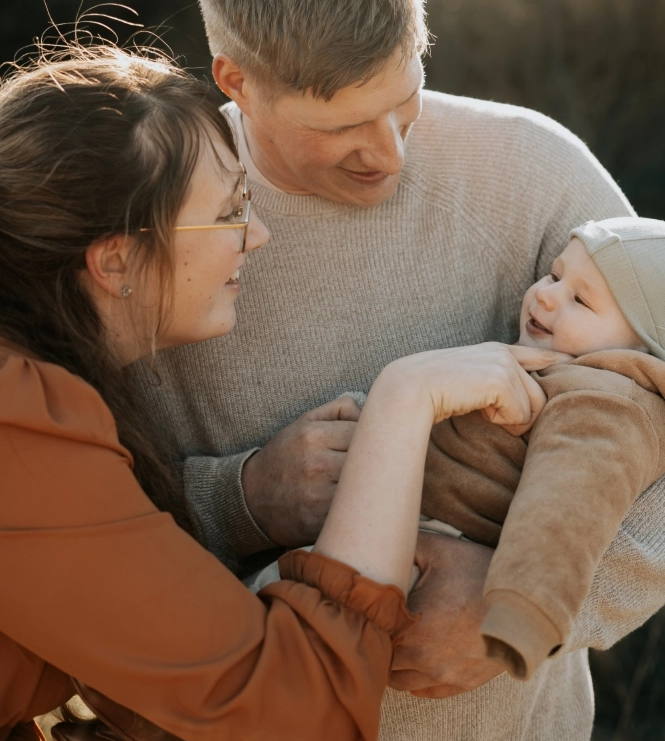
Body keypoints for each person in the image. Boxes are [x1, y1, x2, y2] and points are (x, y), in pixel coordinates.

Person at [130, 0, 665, 741]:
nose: (390, 154)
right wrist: (244, 495)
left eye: (405, 101)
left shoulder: (537, 169)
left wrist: (529, 610)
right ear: (234, 80)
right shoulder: (159, 232)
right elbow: (91, 509)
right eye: (340, 126)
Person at [0, 42, 558, 741]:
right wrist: (403, 399)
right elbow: (306, 716)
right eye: (230, 212)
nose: (256, 236)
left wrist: (248, 499)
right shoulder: (21, 424)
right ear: (116, 261)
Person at [256, 218, 665, 684]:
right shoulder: (562, 371)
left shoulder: (608, 403)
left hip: (431, 554)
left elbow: (566, 507)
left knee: (280, 655)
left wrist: (524, 610)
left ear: (644, 346)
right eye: (554, 276)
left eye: (581, 299)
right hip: (392, 532)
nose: (546, 295)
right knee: (262, 638)